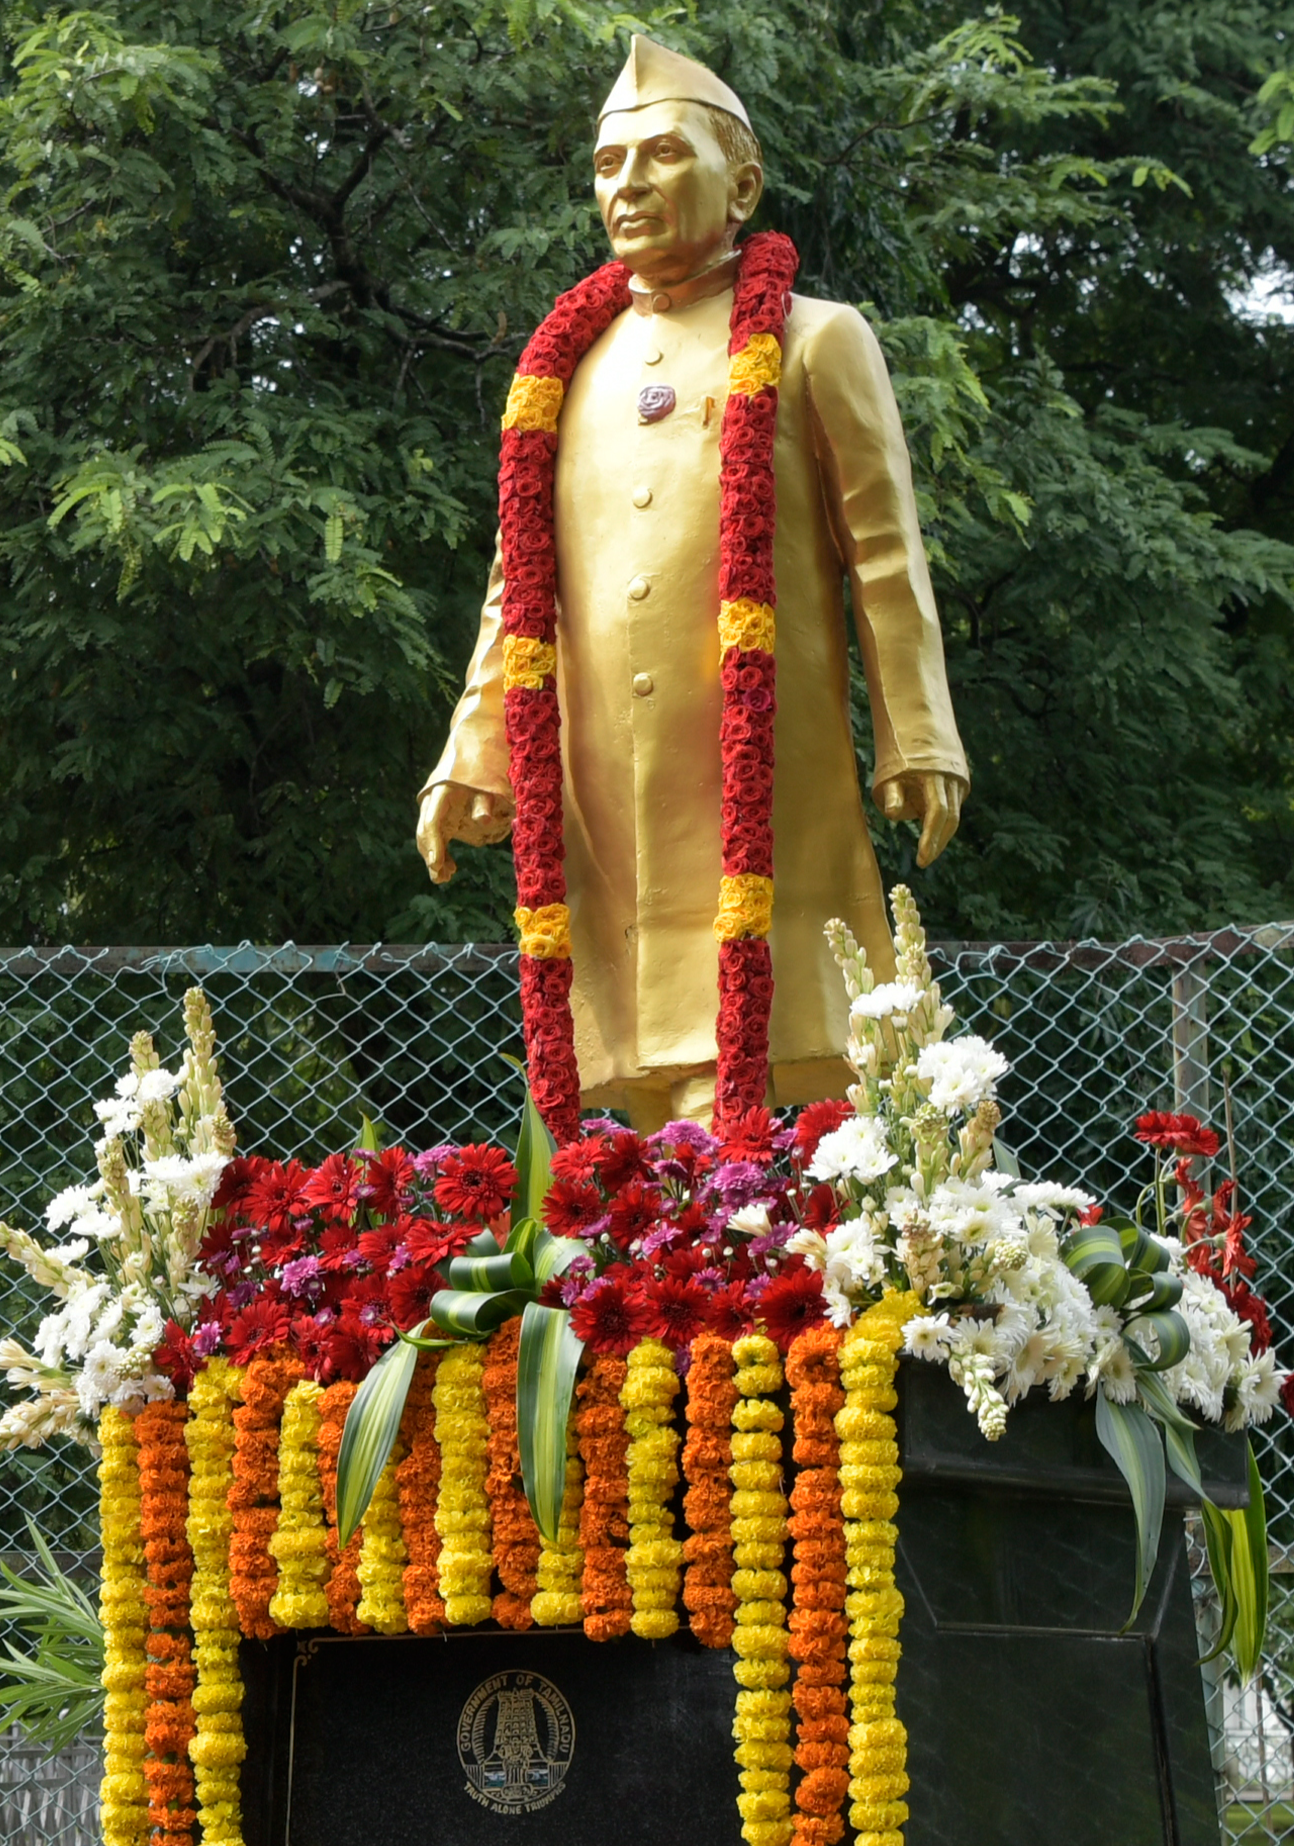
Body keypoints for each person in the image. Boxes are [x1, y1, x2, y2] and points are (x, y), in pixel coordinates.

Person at [414, 35, 971, 1122]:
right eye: (608, 165)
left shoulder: (816, 340)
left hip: (761, 752)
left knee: (791, 1030)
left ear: (741, 183)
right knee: (627, 1051)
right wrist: (472, 748)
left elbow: (885, 552)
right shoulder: (563, 369)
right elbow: (516, 585)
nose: (627, 185)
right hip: (599, 773)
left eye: (661, 156)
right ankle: (662, 1232)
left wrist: (918, 734)